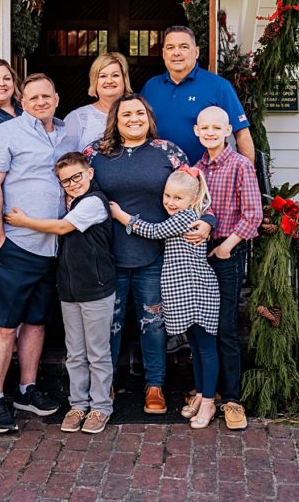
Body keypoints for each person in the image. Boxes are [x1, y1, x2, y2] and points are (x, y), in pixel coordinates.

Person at [84, 93, 214, 415]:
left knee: (153, 323)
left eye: (140, 113)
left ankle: (155, 384)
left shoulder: (167, 152)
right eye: (126, 113)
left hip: (155, 255)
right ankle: (106, 383)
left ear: (149, 117)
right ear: (115, 118)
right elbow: (75, 195)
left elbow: (197, 192)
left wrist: (208, 221)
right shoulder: (95, 154)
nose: (134, 118)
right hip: (108, 255)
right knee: (109, 324)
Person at [0, 72, 75, 433]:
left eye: (46, 96)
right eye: (33, 98)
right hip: (17, 245)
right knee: (5, 326)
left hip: (54, 247)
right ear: (22, 102)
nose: (40, 102)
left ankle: (26, 390)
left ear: (56, 98)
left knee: (36, 322)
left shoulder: (67, 133)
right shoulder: (4, 134)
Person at [4, 151, 117, 435]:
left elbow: (62, 227)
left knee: (98, 353)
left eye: (77, 176)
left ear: (90, 173)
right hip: (70, 291)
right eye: (65, 181)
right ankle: (78, 404)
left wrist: (24, 221)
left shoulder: (94, 202)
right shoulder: (75, 202)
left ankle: (101, 406)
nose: (72, 183)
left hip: (96, 289)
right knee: (76, 352)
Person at [110, 167, 221, 429]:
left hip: (197, 290)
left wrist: (121, 216)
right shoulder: (189, 213)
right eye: (167, 196)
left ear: (192, 200)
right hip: (185, 290)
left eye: (178, 198)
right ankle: (200, 395)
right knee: (195, 347)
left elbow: (152, 230)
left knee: (205, 348)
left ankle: (208, 402)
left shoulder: (185, 218)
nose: (170, 202)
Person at [194, 105, 262, 430]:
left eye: (216, 128)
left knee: (225, 326)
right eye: (204, 127)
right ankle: (209, 391)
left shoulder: (240, 166)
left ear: (227, 132)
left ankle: (233, 399)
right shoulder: (195, 169)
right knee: (203, 325)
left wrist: (227, 246)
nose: (209, 132)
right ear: (196, 131)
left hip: (226, 252)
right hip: (199, 253)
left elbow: (253, 215)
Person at [141, 25, 255, 164]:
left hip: (206, 176)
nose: (176, 53)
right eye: (170, 48)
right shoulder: (151, 87)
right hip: (158, 174)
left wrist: (249, 175)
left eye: (183, 47)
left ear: (196, 52)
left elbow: (242, 133)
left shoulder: (218, 86)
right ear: (164, 53)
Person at [63, 51, 132, 151]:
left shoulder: (137, 115)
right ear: (95, 81)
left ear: (124, 79)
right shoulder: (77, 118)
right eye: (103, 76)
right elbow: (65, 158)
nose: (109, 81)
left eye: (115, 75)